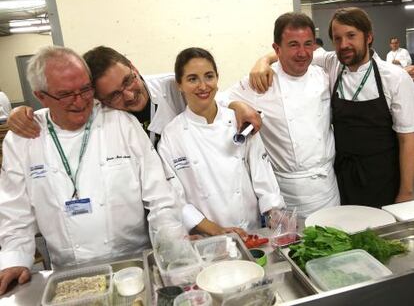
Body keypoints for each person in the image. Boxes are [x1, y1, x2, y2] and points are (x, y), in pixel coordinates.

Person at [0, 46, 176, 295]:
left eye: (85, 89)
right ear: (41, 96)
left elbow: (160, 198)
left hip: (135, 265)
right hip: (70, 273)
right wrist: (14, 260)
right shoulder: (23, 138)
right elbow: (14, 212)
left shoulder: (121, 123)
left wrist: (171, 248)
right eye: (66, 95)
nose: (81, 101)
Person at [249, 7, 414, 207]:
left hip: (384, 177)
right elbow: (295, 52)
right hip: (342, 178)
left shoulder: (395, 78)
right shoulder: (332, 62)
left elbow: (407, 140)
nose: (344, 45)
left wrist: (406, 192)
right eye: (337, 39)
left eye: (351, 36)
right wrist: (262, 61)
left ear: (368, 37)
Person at [7, 46, 261, 144]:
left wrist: (238, 104)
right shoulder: (96, 106)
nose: (129, 95)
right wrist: (19, 114)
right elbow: (61, 108)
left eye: (129, 80)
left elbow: (209, 94)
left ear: (133, 66)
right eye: (115, 95)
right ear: (98, 97)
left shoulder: (170, 86)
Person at [220, 13, 340, 218]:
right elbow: (219, 100)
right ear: (277, 49)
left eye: (308, 44)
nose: (302, 53)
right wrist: (238, 105)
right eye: (293, 44)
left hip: (328, 188)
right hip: (286, 195)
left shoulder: (324, 74)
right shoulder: (261, 82)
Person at [157, 47, 286, 237]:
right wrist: (215, 230)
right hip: (208, 238)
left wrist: (274, 212)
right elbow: (175, 197)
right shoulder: (171, 136)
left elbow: (262, 172)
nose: (203, 86)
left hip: (251, 233)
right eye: (192, 79)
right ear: (179, 85)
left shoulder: (240, 121)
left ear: (217, 78)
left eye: (209, 76)